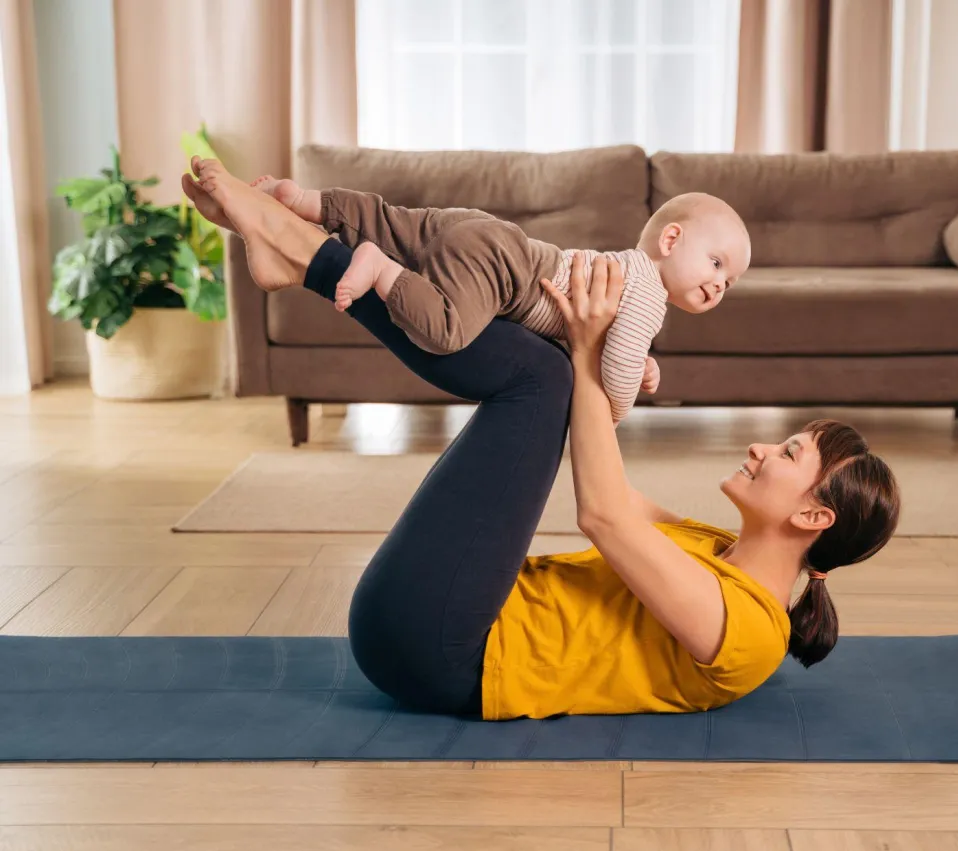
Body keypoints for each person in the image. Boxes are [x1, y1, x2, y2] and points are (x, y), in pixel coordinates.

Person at [181, 158, 901, 721]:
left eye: (787, 455)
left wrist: (592, 353)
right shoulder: (714, 548)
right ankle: (306, 247)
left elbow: (603, 515)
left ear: (813, 515)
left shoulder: (748, 632)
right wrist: (591, 349)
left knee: (549, 378)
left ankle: (305, 246)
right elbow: (615, 490)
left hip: (442, 651)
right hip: (448, 612)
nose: (760, 449)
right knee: (543, 368)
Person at [189, 162, 750, 424]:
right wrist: (622, 406)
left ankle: (304, 202)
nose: (719, 284)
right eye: (717, 263)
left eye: (729, 281)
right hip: (506, 273)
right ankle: (379, 268)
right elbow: (618, 367)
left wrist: (642, 362)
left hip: (487, 233)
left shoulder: (629, 276)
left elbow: (616, 344)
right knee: (446, 330)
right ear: (670, 239)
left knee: (395, 221)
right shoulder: (648, 294)